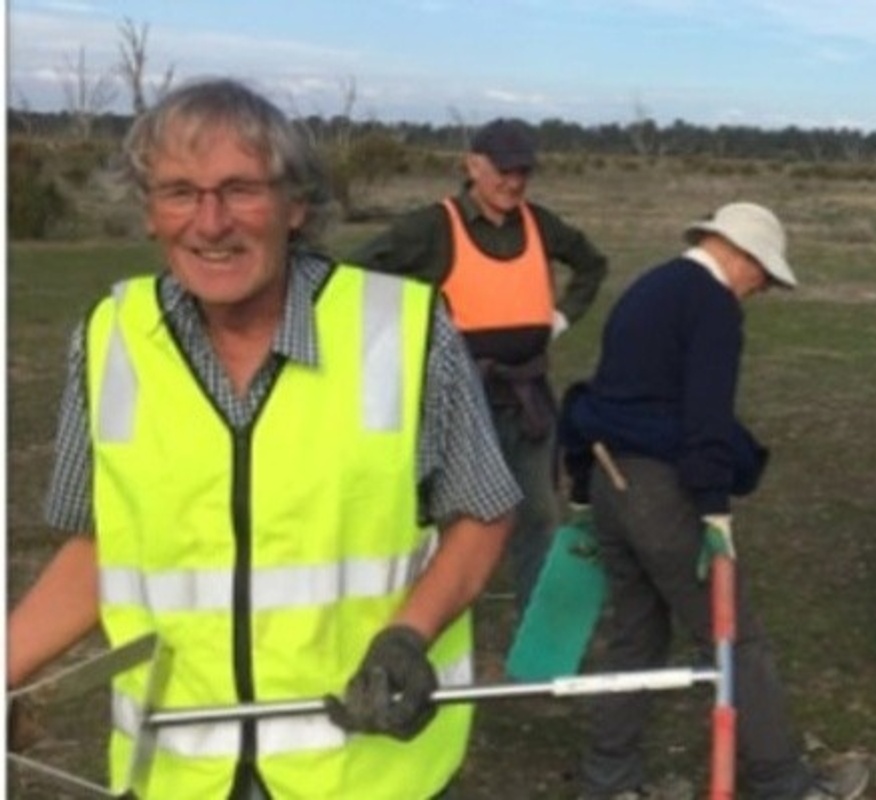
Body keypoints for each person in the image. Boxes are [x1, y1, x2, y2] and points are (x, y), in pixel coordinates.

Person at [5, 78, 519, 798]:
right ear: (150, 211)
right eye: (180, 192)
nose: (210, 223)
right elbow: (99, 547)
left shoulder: (400, 329)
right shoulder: (108, 338)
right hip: (178, 778)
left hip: (360, 771)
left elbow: (484, 509)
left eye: (241, 189)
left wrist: (410, 634)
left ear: (296, 204)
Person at [558, 203, 868, 799]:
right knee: (734, 637)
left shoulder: (650, 285)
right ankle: (784, 783)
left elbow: (609, 391)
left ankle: (608, 780)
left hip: (607, 480)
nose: (763, 290)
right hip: (656, 493)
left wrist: (580, 489)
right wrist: (714, 508)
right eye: (765, 276)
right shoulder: (712, 305)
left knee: (637, 635)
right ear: (739, 255)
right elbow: (706, 416)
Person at [349, 117, 609, 619]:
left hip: (528, 398)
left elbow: (591, 264)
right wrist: (409, 339)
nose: (513, 183)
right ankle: (431, 618)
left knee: (539, 514)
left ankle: (538, 626)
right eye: (503, 171)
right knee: (458, 517)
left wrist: (561, 317)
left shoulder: (540, 223)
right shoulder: (431, 227)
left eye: (523, 173)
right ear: (473, 165)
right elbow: (357, 275)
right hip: (460, 398)